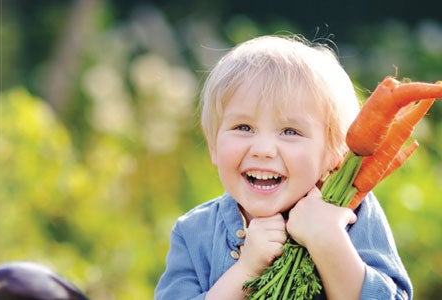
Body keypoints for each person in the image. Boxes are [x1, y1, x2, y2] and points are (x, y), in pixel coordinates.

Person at [155, 34, 412, 299]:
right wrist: (246, 269)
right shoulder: (194, 231)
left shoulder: (351, 216)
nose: (263, 150)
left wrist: (328, 241)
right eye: (243, 128)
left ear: (334, 153)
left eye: (290, 131)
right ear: (213, 145)